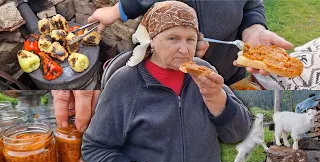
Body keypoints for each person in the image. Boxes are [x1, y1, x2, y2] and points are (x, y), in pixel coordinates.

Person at [81, 2, 252, 162]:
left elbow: (237, 133)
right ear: (152, 39)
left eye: (190, 39)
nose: (184, 49)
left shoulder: (204, 73)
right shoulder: (125, 83)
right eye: (173, 38)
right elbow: (94, 148)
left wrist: (217, 99)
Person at [88, 0, 293, 86]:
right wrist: (117, 11)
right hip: (176, 82)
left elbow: (252, 6)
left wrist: (254, 28)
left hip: (230, 75)